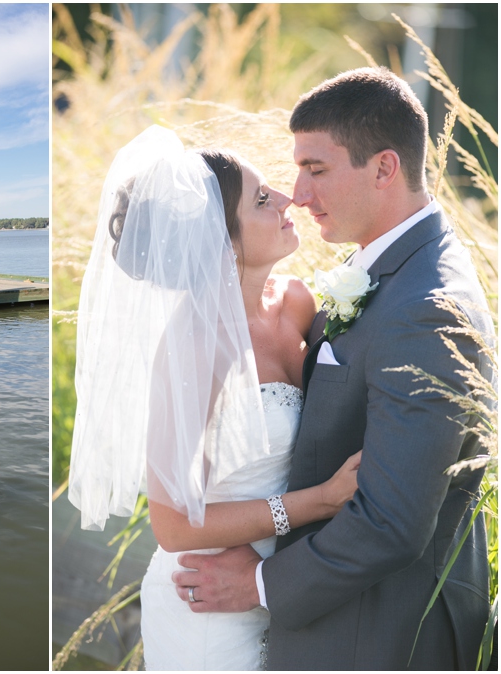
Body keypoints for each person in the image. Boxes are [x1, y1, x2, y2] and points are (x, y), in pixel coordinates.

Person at [173, 67, 493, 670]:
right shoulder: (387, 266)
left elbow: (393, 520)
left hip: (376, 634)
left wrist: (259, 585)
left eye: (316, 169)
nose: (298, 192)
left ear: (384, 168)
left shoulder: (425, 306)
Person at [67, 124, 361, 670]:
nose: (287, 197)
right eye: (260, 199)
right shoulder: (195, 348)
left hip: (281, 582)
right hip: (206, 598)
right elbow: (173, 524)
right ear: (222, 243)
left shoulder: (296, 301)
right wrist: (317, 502)